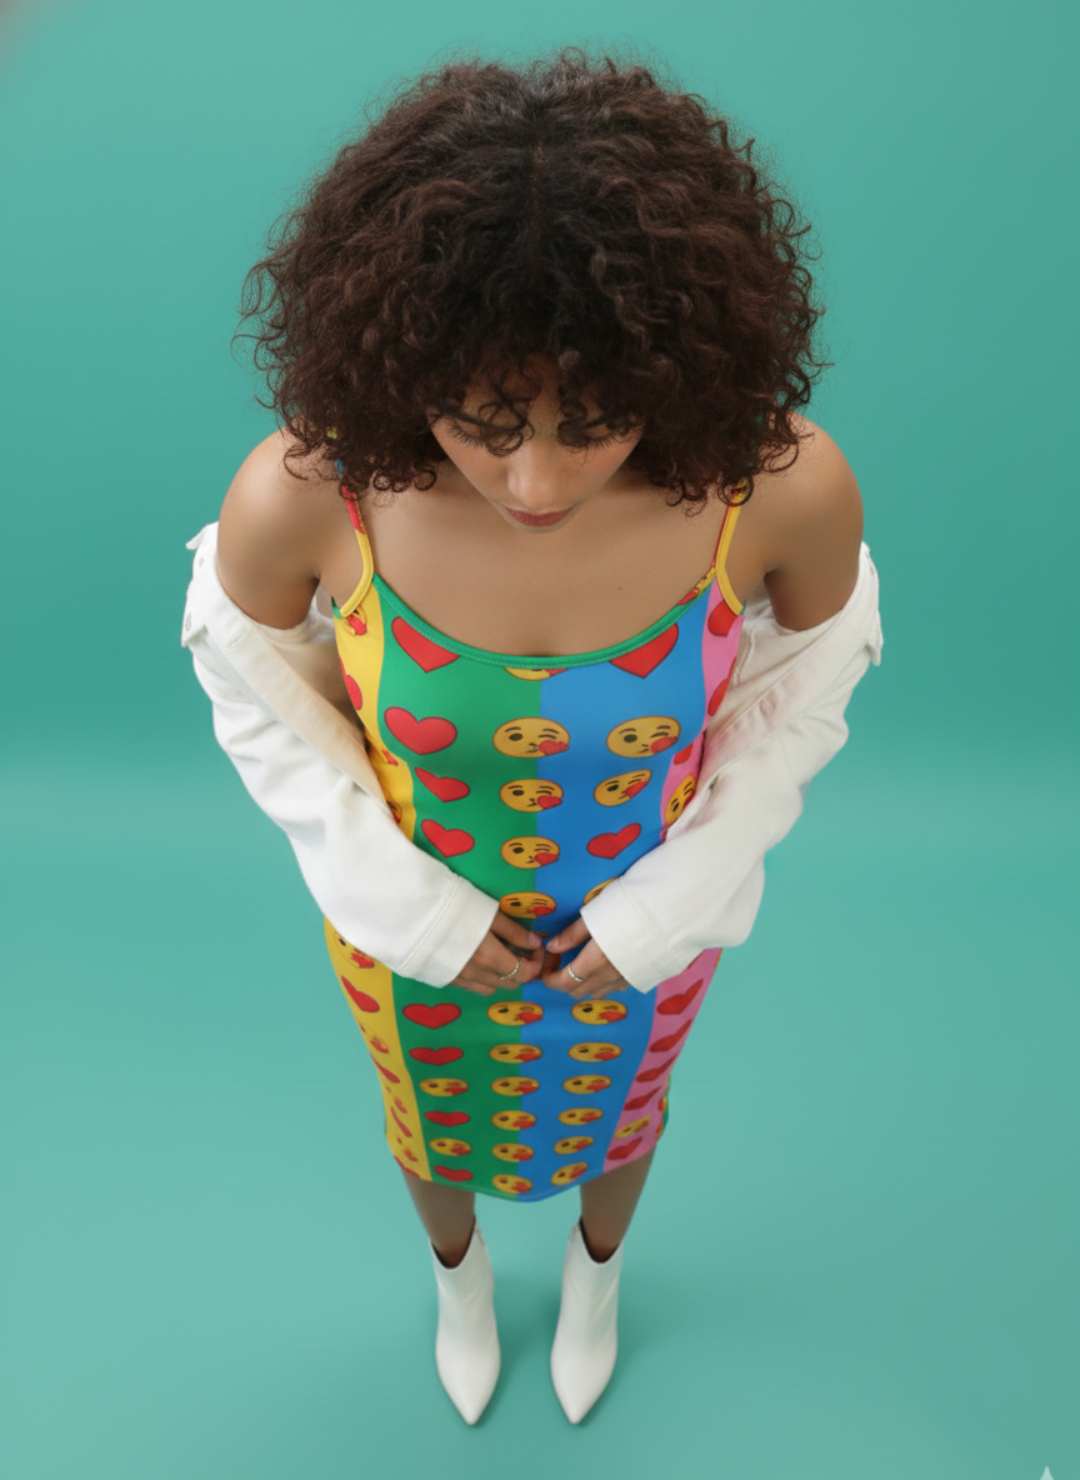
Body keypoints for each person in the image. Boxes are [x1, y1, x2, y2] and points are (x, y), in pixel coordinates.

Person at [203, 47, 871, 1425]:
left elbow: (804, 697)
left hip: (649, 933)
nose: (535, 478)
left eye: (599, 421)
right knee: (424, 1120)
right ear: (402, 359)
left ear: (680, 360)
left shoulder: (776, 489)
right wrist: (409, 910)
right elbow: (259, 697)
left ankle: (594, 1282)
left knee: (629, 1112)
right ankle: (457, 1287)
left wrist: (674, 903)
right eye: (483, 419)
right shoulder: (313, 494)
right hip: (404, 937)